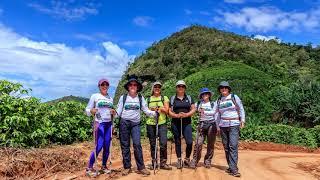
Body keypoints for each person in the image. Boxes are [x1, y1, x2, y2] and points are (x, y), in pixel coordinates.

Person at [116, 75, 157, 176]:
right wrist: (113, 117)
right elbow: (118, 112)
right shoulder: (123, 97)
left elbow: (146, 110)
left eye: (135, 84)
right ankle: (127, 167)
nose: (133, 86)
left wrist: (154, 113)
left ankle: (141, 167)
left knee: (137, 144)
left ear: (137, 87)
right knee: (125, 145)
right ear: (128, 86)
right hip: (124, 123)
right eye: (131, 84)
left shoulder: (140, 97)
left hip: (136, 124)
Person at [85, 78, 116, 177]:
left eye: (106, 85)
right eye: (102, 85)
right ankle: (89, 167)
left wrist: (113, 114)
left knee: (107, 146)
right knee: (99, 146)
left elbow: (112, 113)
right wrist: (91, 111)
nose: (104, 86)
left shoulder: (110, 98)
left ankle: (104, 166)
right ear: (99, 86)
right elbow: (87, 109)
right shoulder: (95, 96)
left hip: (108, 124)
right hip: (99, 123)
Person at [216, 81, 245, 178]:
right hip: (223, 125)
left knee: (233, 145)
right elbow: (217, 114)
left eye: (225, 88)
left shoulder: (234, 97)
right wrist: (217, 126)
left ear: (228, 89)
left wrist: (242, 120)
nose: (224, 89)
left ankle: (234, 169)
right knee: (226, 147)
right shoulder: (219, 100)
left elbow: (240, 108)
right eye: (222, 88)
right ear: (220, 90)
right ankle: (231, 166)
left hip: (234, 124)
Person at [168, 80, 196, 169]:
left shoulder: (189, 97)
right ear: (176, 88)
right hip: (175, 122)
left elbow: (194, 108)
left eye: (182, 86)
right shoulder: (172, 98)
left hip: (187, 122)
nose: (181, 88)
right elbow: (169, 111)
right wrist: (176, 115)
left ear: (185, 88)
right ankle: (179, 160)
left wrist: (187, 114)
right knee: (177, 141)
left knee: (189, 142)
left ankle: (187, 159)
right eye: (179, 86)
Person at [189, 88, 218, 169]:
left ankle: (207, 161)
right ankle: (195, 160)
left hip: (211, 124)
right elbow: (191, 107)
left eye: (206, 94)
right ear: (201, 96)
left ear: (209, 95)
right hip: (201, 124)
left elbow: (214, 112)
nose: (204, 95)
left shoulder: (213, 103)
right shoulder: (198, 103)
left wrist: (204, 112)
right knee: (198, 143)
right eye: (203, 94)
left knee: (210, 143)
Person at [146, 82, 172, 170]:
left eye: (159, 87)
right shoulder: (148, 99)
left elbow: (167, 110)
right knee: (153, 144)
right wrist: (152, 110)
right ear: (152, 88)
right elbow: (145, 111)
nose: (157, 88)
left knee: (163, 143)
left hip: (162, 123)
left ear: (160, 88)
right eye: (155, 87)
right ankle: (154, 162)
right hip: (150, 123)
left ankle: (163, 163)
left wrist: (159, 109)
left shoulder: (164, 98)